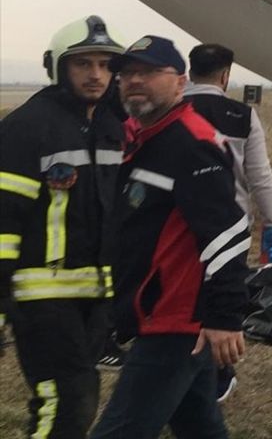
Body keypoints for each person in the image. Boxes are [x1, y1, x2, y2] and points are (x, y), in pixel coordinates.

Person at [89, 36, 250, 439]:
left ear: (180, 82)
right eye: (126, 74)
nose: (134, 81)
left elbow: (227, 231)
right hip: (159, 314)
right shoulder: (148, 138)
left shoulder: (190, 143)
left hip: (175, 321)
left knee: (120, 430)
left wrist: (224, 317)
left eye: (148, 72)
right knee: (198, 425)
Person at [1, 16, 125, 439]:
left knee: (71, 399)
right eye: (83, 64)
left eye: (106, 65)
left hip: (96, 296)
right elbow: (3, 217)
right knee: (68, 401)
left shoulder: (116, 128)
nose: (97, 75)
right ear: (58, 67)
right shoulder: (26, 128)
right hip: (42, 297)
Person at [183, 42, 272, 403]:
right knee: (221, 298)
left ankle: (190, 363)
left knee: (185, 297)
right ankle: (219, 374)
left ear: (190, 71)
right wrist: (271, 222)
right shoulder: (243, 115)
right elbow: (260, 176)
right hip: (231, 226)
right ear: (225, 76)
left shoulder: (173, 109)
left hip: (180, 225)